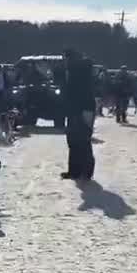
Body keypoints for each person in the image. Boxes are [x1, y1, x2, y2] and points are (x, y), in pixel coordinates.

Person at [60, 48, 96, 180]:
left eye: (67, 58)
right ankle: (75, 170)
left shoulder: (80, 69)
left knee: (83, 139)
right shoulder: (73, 70)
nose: (65, 61)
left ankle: (85, 171)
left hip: (84, 108)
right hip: (76, 109)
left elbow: (76, 91)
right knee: (74, 140)